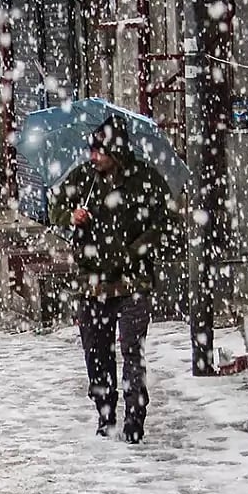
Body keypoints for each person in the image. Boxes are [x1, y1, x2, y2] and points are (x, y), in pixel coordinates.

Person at [47, 116, 172, 444]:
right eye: (91, 151)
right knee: (96, 350)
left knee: (132, 350)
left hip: (133, 283)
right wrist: (71, 217)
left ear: (115, 151)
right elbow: (55, 208)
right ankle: (105, 411)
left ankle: (135, 417)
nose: (92, 157)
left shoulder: (144, 179)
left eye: (99, 152)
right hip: (92, 283)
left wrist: (132, 253)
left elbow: (164, 224)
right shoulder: (83, 179)